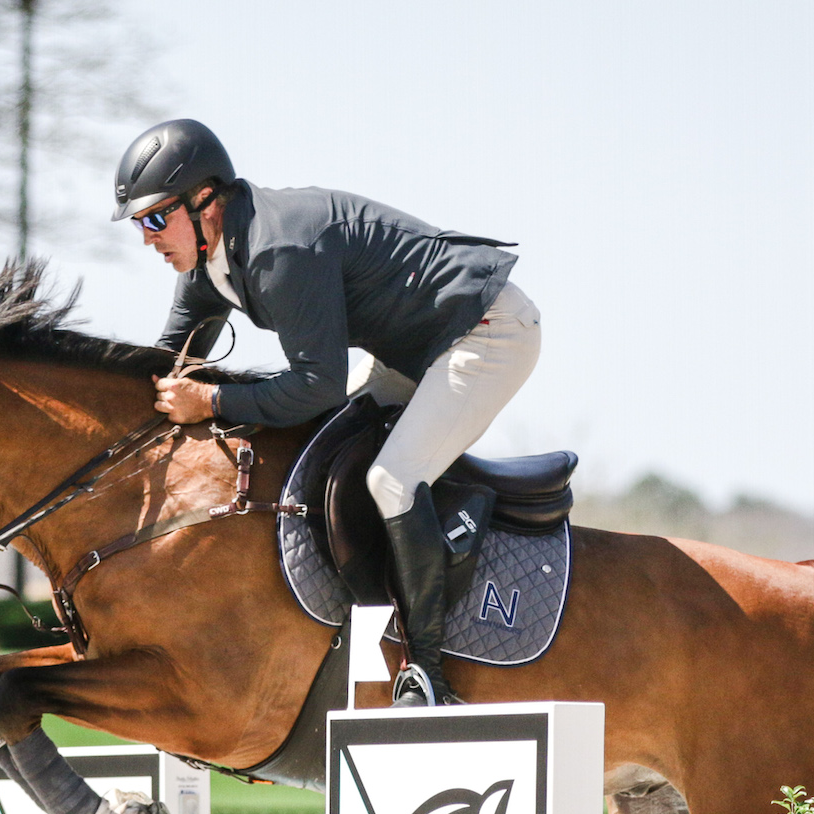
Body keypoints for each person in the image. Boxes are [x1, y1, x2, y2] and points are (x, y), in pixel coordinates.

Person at [113, 118, 541, 707]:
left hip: (485, 331)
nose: (147, 238)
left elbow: (315, 384)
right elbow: (168, 366)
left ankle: (428, 674)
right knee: (321, 452)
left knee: (392, 480)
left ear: (205, 201)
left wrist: (211, 400)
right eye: (140, 223)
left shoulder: (278, 250)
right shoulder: (209, 262)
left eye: (156, 218)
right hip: (415, 348)